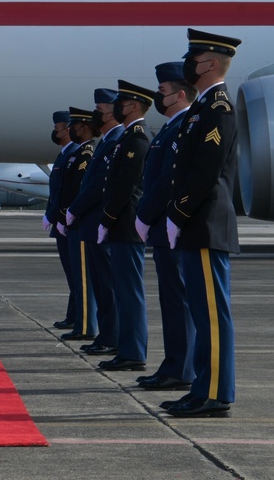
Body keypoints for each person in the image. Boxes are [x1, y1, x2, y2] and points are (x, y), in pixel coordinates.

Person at [163, 29, 243, 418]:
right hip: (196, 220)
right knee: (201, 310)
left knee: (211, 312)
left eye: (193, 59)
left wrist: (177, 213)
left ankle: (215, 393)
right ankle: (202, 387)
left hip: (205, 220)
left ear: (210, 63)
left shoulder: (219, 107)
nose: (188, 64)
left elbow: (206, 170)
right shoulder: (202, 108)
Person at [134, 62, 196, 391]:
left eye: (163, 92)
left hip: (171, 226)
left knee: (178, 300)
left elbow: (166, 182)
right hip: (161, 228)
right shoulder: (170, 128)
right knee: (171, 301)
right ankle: (174, 363)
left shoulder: (184, 126)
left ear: (180, 94)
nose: (158, 97)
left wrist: (144, 216)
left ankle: (182, 368)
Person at [96, 80, 154, 372]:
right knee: (123, 290)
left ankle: (133, 352)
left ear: (132, 106)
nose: (116, 106)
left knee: (130, 292)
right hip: (121, 224)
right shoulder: (127, 138)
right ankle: (128, 349)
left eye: (120, 101)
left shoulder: (137, 138)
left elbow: (125, 186)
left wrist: (106, 218)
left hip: (127, 225)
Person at [67, 91, 122, 353]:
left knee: (108, 287)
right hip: (92, 223)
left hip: (102, 222)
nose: (95, 114)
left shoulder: (117, 140)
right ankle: (106, 337)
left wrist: (73, 209)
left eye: (99, 108)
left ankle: (111, 338)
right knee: (101, 286)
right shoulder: (105, 141)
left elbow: (99, 185)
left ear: (112, 111)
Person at [57, 107, 96, 341]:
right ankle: (81, 323)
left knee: (83, 279)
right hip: (71, 221)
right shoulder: (76, 154)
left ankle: (86, 326)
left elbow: (79, 190)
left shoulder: (86, 154)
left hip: (79, 222)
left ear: (83, 127)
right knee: (77, 278)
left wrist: (69, 213)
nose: (69, 129)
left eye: (73, 125)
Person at [45, 110, 78, 330]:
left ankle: (78, 316)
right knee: (71, 272)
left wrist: (60, 217)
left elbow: (69, 191)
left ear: (67, 129)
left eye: (57, 128)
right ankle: (74, 315)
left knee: (76, 272)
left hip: (68, 223)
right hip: (60, 221)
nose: (55, 132)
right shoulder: (63, 154)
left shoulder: (74, 154)